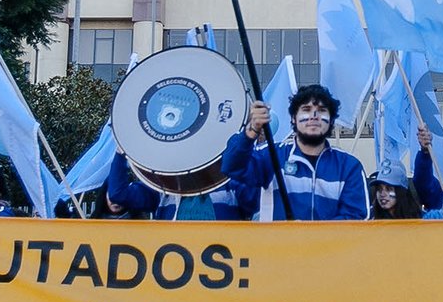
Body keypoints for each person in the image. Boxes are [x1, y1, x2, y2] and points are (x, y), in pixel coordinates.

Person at [221, 84, 368, 220]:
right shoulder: (271, 155)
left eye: (322, 110)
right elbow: (230, 166)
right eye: (306, 109)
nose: (314, 116)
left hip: (332, 248)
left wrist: (308, 234)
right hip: (276, 247)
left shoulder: (349, 166)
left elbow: (356, 217)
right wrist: (251, 131)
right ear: (293, 118)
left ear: (331, 120)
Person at [105, 151, 249, 221]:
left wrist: (250, 143)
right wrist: (121, 153)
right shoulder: (162, 189)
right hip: (174, 272)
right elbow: (118, 193)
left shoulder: (230, 185)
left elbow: (258, 200)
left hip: (222, 274)